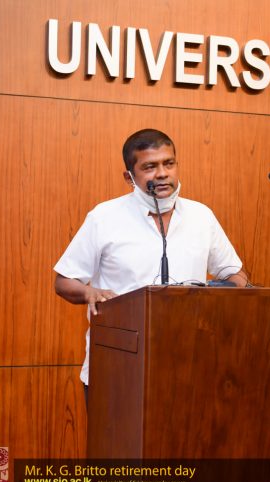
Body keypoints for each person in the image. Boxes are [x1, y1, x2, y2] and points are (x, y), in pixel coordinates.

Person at [54, 128, 247, 391]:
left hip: (192, 363)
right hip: (118, 367)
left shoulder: (201, 216)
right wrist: (90, 293)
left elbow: (235, 274)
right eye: (150, 167)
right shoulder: (104, 217)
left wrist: (230, 289)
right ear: (129, 177)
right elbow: (64, 281)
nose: (162, 173)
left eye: (169, 163)